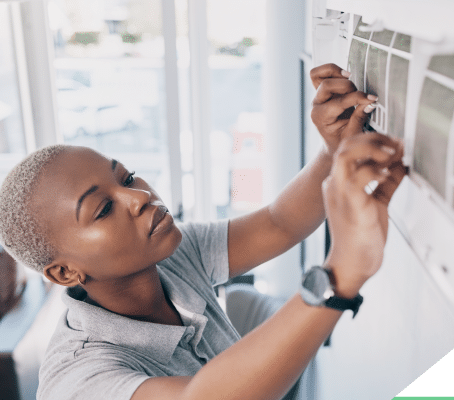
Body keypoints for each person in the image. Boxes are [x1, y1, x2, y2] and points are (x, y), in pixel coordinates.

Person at [0, 64, 405, 400]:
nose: (138, 197)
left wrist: (333, 148)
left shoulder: (170, 255)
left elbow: (279, 223)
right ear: (65, 273)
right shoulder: (76, 380)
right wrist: (340, 275)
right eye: (104, 209)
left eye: (129, 177)